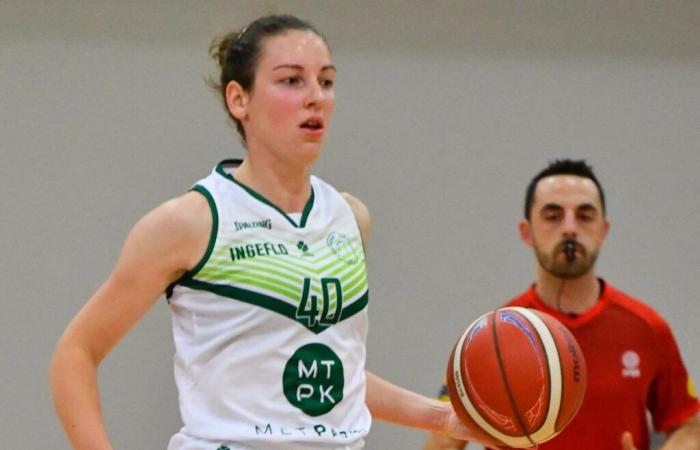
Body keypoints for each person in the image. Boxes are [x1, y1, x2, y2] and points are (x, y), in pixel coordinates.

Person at [50, 14, 480, 450]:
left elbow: (332, 374)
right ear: (239, 99)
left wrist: (444, 418)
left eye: (326, 82)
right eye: (292, 80)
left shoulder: (349, 217)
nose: (315, 97)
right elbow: (76, 353)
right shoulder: (190, 222)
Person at [423, 159, 700, 450]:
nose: (570, 228)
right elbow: (443, 439)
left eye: (585, 215)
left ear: (603, 230)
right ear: (526, 231)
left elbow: (689, 427)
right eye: (553, 215)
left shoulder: (646, 328)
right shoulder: (489, 339)